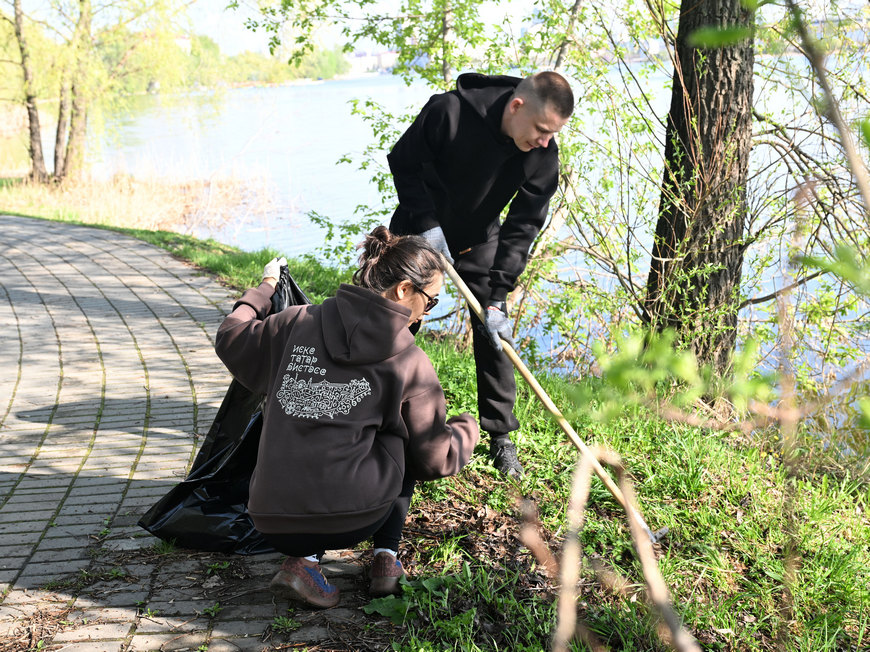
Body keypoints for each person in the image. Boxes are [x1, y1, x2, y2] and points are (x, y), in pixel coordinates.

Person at [214, 226, 480, 609]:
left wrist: (265, 287)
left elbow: (231, 335)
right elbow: (436, 459)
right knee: (403, 436)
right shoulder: (409, 361)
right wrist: (465, 427)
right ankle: (386, 558)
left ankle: (302, 562)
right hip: (355, 518)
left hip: (270, 516)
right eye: (432, 301)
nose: (429, 311)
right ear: (404, 290)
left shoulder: (295, 322)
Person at [387, 71, 575, 477]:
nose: (545, 141)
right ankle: (369, 406)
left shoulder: (543, 155)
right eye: (542, 130)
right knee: (387, 322)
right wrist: (426, 224)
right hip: (418, 229)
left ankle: (500, 436)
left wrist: (499, 294)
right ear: (517, 106)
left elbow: (523, 227)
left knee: (493, 332)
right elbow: (404, 162)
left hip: (478, 239)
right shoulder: (449, 111)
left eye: (552, 134)